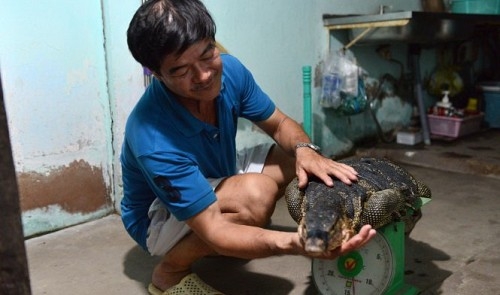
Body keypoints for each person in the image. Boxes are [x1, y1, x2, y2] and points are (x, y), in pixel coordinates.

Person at [121, 0, 376, 294]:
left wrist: (307, 149)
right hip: (158, 216)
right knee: (257, 195)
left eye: (207, 54)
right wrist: (294, 243)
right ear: (156, 73)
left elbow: (280, 125)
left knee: (297, 159)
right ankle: (170, 272)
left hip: (216, 172)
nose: (204, 75)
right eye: (181, 70)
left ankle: (237, 235)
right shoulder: (151, 135)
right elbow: (214, 229)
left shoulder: (230, 71)